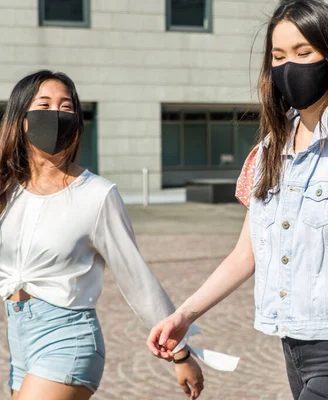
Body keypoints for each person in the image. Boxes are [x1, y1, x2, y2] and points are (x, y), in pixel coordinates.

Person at [147, 0, 328, 398]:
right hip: (292, 348)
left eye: (303, 52)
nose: (289, 66)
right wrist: (184, 315)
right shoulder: (268, 152)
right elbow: (245, 254)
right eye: (278, 56)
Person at [0, 70, 235, 400]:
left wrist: (180, 352)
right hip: (19, 339)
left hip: (68, 339)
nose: (56, 114)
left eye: (66, 107)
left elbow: (136, 279)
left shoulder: (97, 195)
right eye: (45, 104)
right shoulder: (8, 190)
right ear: (21, 119)